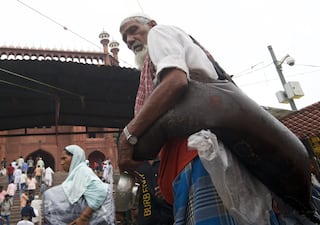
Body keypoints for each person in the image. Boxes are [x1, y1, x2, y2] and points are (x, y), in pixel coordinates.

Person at [117, 14, 280, 225]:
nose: (129, 40)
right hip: (202, 163)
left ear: (152, 25)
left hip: (203, 159)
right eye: (124, 38)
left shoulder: (159, 33)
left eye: (133, 30)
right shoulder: (153, 62)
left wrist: (127, 136)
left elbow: (175, 81)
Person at [43, 144, 115, 225]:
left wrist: (84, 217)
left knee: (49, 194)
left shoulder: (83, 171)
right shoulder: (77, 172)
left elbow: (101, 191)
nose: (61, 163)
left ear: (75, 157)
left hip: (93, 217)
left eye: (64, 158)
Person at [134, 159, 173, 225]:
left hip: (169, 215)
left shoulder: (169, 162)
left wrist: (168, 189)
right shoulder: (138, 166)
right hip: (146, 217)